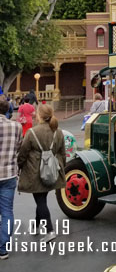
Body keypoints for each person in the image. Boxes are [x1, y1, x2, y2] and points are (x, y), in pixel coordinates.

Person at [17, 104, 66, 244]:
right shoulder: (58, 131)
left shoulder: (32, 132)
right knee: (41, 197)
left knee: (40, 200)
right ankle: (36, 226)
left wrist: (19, 166)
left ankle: (49, 230)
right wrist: (62, 168)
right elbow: (62, 153)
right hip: (52, 170)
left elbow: (23, 153)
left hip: (35, 171)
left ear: (39, 115)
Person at [0, 99, 22, 260]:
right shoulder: (16, 126)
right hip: (9, 174)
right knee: (7, 212)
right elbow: (19, 148)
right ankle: (3, 248)